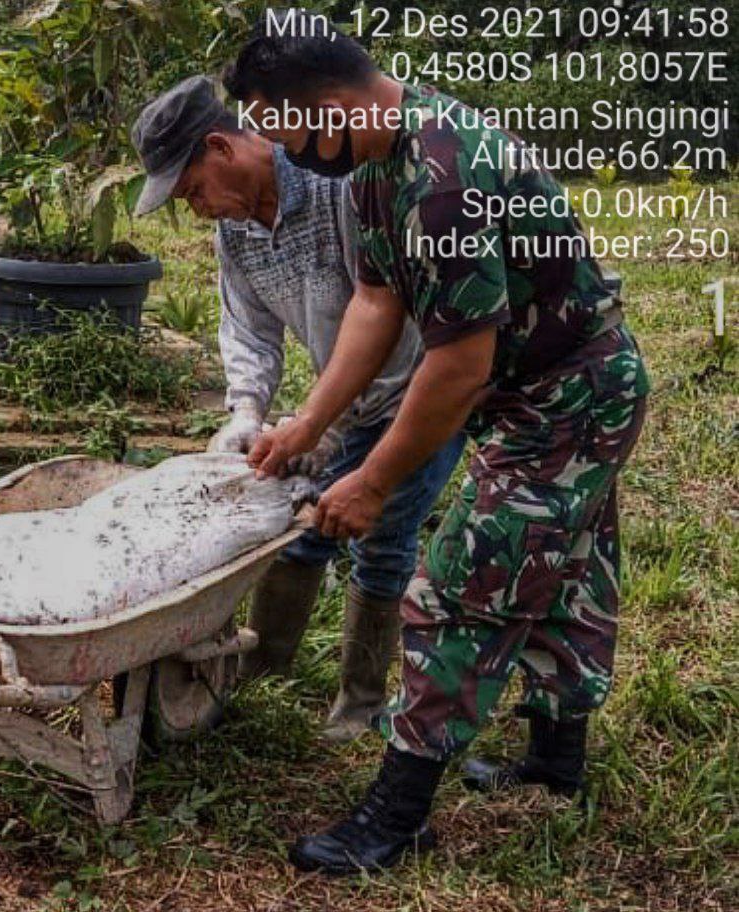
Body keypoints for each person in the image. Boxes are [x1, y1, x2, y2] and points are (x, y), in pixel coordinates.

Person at [223, 13, 649, 876]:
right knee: (558, 566)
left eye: (287, 130)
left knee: (461, 584)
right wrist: (310, 423)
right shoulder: (375, 167)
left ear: (335, 107)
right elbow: (375, 303)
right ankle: (554, 760)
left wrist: (372, 484)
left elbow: (456, 368)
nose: (285, 153)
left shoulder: (442, 178)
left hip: (567, 395)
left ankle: (395, 813)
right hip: (533, 389)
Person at [130, 76, 463, 741]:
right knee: (295, 522)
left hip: (418, 388)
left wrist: (321, 426)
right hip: (334, 403)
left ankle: (362, 701)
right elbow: (247, 329)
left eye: (192, 189)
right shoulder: (236, 234)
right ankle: (265, 671)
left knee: (378, 530)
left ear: (220, 146)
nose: (195, 208)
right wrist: (248, 410)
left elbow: (390, 322)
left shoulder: (336, 186)